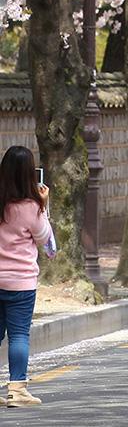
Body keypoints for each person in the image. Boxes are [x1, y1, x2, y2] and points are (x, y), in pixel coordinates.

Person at [0, 146, 55, 408]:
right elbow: (47, 243)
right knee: (19, 335)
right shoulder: (31, 207)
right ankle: (17, 390)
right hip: (21, 282)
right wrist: (44, 207)